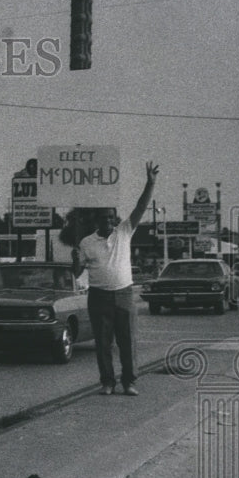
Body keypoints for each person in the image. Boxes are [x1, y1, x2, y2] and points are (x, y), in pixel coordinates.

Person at [71, 162, 159, 396]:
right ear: (96, 221)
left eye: (111, 217)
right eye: (103, 218)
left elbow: (141, 207)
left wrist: (150, 183)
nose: (108, 221)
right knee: (103, 343)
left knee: (127, 341)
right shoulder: (86, 243)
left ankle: (129, 382)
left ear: (116, 218)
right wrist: (74, 261)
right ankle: (107, 382)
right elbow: (77, 272)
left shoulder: (124, 231)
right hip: (98, 296)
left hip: (124, 294)